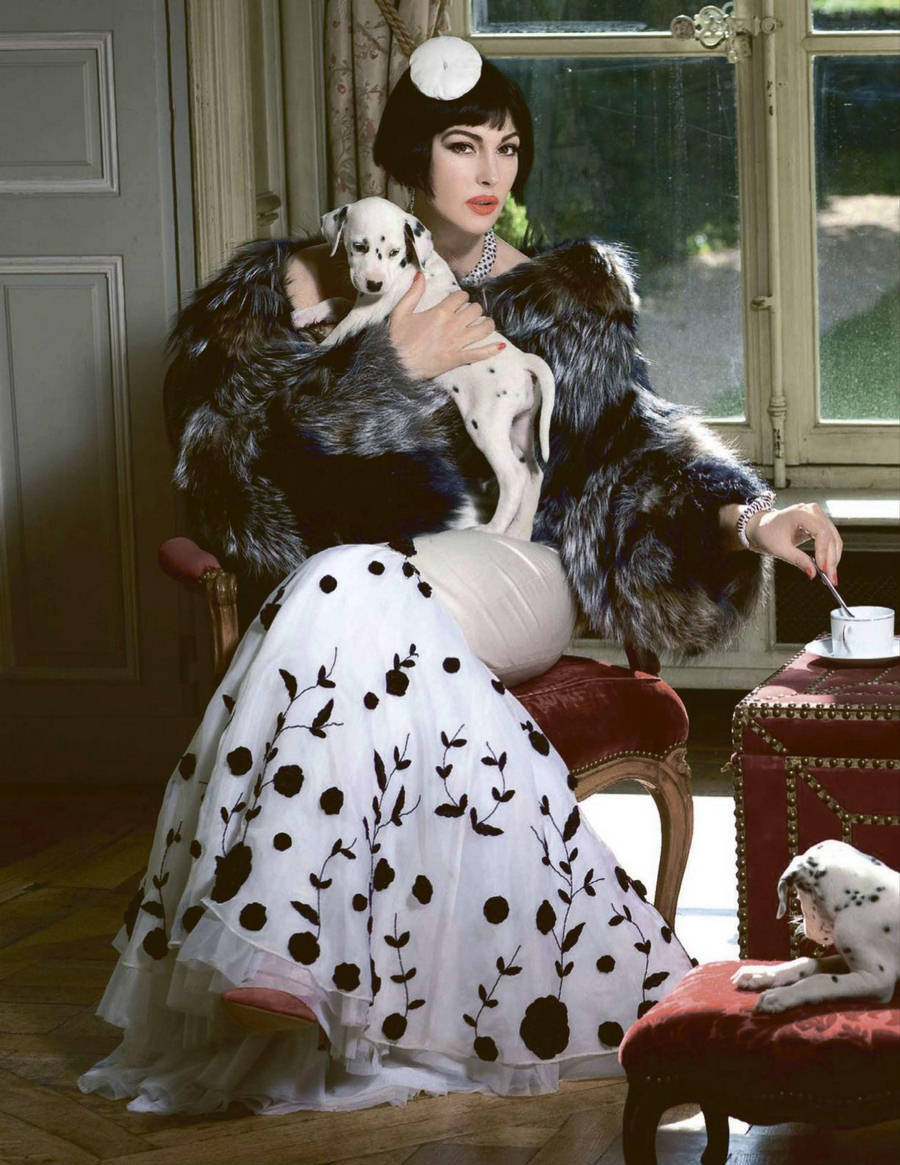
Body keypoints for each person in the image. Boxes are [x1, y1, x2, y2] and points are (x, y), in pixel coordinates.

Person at [79, 37, 842, 1115]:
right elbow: (227, 465)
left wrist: (756, 515)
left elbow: (640, 452)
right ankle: (297, 970)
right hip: (354, 584)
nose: (490, 171)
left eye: (508, 147)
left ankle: (276, 945)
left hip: (515, 576)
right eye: (461, 144)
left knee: (339, 589)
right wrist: (394, 364)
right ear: (408, 154)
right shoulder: (296, 284)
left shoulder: (560, 301)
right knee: (349, 583)